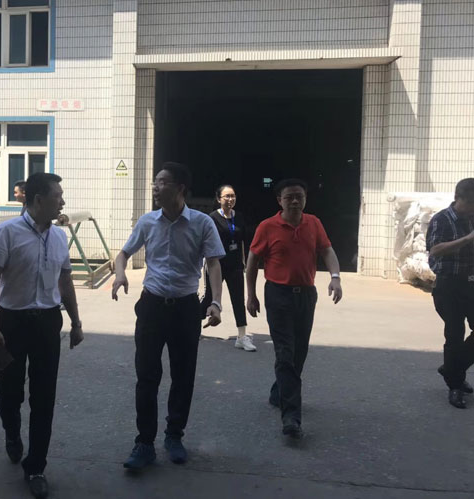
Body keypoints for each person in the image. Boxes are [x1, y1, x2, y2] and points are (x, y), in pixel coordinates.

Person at [112, 161, 225, 471]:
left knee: (183, 376)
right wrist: (120, 274)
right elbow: (123, 253)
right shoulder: (147, 222)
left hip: (186, 309)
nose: (155, 187)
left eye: (162, 182)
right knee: (147, 376)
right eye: (155, 182)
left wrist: (216, 302)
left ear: (180, 188)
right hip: (152, 307)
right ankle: (144, 443)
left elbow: (214, 263)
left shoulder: (202, 223)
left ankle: (174, 436)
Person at [0, 172, 84, 499]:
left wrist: (76, 322)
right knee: (9, 393)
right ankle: (12, 432)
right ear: (38, 199)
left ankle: (36, 466)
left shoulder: (59, 237)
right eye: (58, 196)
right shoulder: (7, 232)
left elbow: (65, 281)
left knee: (44, 397)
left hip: (47, 324)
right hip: (11, 324)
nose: (62, 202)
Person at [245, 178, 342, 439]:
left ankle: (279, 391)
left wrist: (335, 277)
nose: (295, 201)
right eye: (289, 197)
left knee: (299, 353)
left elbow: (327, 250)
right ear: (280, 200)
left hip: (306, 296)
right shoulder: (267, 227)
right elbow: (252, 261)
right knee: (285, 352)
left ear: (305, 199)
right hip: (278, 295)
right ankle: (291, 417)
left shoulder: (314, 223)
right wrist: (251, 295)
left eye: (299, 196)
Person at [426, 178, 474, 409]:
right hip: (448, 286)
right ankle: (455, 386)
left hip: (471, 284)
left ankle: (452, 368)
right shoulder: (442, 219)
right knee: (454, 334)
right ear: (459, 198)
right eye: (471, 203)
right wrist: (467, 239)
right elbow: (435, 250)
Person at [205, 184, 255, 351]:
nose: (230, 199)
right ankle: (191, 325)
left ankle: (242, 336)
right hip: (216, 264)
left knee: (238, 299)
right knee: (209, 298)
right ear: (219, 199)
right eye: (226, 196)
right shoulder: (212, 218)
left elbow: (243, 241)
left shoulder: (239, 217)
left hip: (235, 265)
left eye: (232, 196)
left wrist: (245, 262)